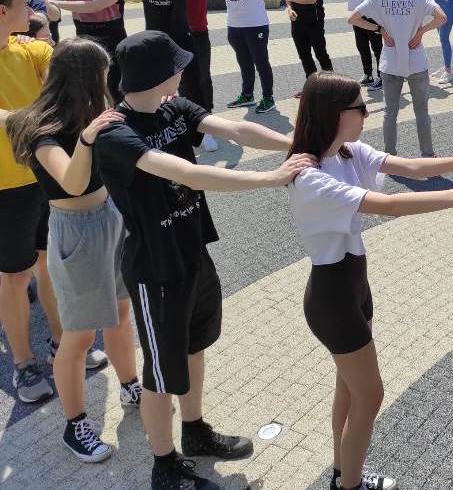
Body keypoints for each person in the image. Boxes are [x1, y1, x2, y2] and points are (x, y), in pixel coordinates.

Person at [91, 30, 315, 490]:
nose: (183, 71)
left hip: (192, 249)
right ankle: (164, 464)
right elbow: (187, 173)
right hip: (155, 268)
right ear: (157, 74)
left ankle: (194, 431)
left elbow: (234, 129)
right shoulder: (116, 131)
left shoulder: (173, 106)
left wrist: (291, 143)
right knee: (160, 372)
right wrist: (271, 179)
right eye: (176, 65)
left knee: (194, 346)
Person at [286, 71, 453, 490]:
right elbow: (390, 205)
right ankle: (350, 484)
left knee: (349, 390)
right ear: (334, 114)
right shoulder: (312, 178)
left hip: (354, 284)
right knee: (370, 394)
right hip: (331, 297)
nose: (366, 112)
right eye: (360, 107)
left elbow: (410, 166)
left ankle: (342, 472)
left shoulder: (346, 152)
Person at [7, 38, 142, 463]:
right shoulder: (43, 129)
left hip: (110, 219)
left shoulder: (91, 113)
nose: (108, 83)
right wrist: (86, 140)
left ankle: (131, 384)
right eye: (103, 75)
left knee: (121, 312)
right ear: (86, 78)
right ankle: (76, 425)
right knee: (79, 334)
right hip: (75, 231)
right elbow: (72, 182)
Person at [0, 0, 61, 405]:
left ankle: (63, 343)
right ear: (3, 11)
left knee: (49, 264)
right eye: (25, 5)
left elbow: (62, 68)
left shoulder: (29, 50)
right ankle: (23, 363)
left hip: (42, 176)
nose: (33, 12)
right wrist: (25, 117)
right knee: (16, 276)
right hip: (6, 187)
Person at [347, 0, 445, 158]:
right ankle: (427, 155)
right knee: (422, 112)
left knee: (390, 112)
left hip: (390, 61)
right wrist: (421, 31)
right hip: (415, 59)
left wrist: (379, 29)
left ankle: (389, 155)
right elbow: (441, 17)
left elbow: (353, 18)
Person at [125, 0, 206, 120]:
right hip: (154, 43)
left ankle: (201, 124)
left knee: (191, 84)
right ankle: (158, 121)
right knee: (156, 85)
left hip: (181, 41)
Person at [43, 0, 127, 100]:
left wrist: (54, 3)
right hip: (85, 49)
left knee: (117, 93)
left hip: (114, 49)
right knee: (88, 94)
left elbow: (94, 6)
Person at [203, 0, 275, 113]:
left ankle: (268, 98)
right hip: (234, 25)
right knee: (244, 62)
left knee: (261, 62)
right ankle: (247, 95)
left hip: (256, 24)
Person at [177, 0, 218, 152]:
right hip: (177, 35)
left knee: (203, 77)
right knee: (183, 79)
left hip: (199, 35)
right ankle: (188, 118)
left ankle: (207, 120)